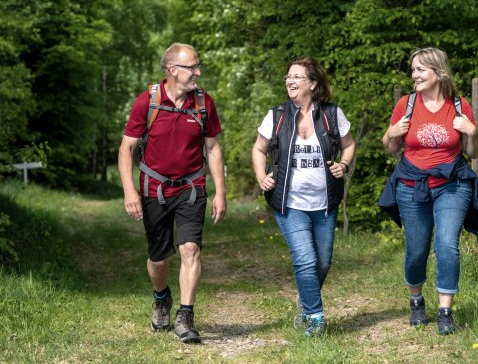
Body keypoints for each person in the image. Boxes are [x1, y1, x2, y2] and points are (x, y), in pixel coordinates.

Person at [378, 47, 478, 335]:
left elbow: (473, 151)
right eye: (413, 69)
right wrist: (389, 135)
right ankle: (416, 300)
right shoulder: (406, 104)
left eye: (420, 69)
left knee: (446, 243)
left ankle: (445, 311)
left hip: (452, 185)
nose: (414, 74)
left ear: (438, 72)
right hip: (411, 186)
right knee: (416, 250)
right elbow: (391, 146)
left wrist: (472, 130)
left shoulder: (459, 105)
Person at [118, 43, 227, 344]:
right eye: (192, 67)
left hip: (192, 188)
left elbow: (213, 148)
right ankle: (161, 297)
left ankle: (186, 315)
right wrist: (130, 190)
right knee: (158, 259)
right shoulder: (147, 102)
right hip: (154, 189)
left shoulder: (205, 103)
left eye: (197, 66)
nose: (198, 72)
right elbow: (127, 148)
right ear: (172, 70)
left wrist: (220, 192)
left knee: (190, 249)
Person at [252, 57, 355, 337]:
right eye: (288, 76)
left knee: (323, 262)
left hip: (324, 204)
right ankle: (315, 317)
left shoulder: (332, 115)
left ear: (313, 83)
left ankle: (305, 299)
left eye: (297, 76)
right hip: (289, 203)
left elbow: (349, 145)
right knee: (305, 260)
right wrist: (262, 176)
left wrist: (343, 165)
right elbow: (259, 149)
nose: (290, 81)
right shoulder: (276, 116)